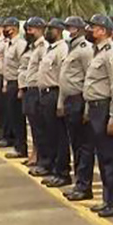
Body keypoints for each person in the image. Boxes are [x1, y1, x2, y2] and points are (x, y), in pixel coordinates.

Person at [84, 14, 113, 218]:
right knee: (102, 157)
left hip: (105, 107)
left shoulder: (112, 53)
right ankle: (108, 199)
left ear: (102, 30)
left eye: (93, 27)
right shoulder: (96, 52)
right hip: (95, 107)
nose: (90, 30)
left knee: (111, 157)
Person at [58, 17, 95, 202]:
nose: (69, 31)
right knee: (76, 145)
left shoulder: (85, 50)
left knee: (84, 146)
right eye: (68, 28)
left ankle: (84, 185)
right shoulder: (70, 48)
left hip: (80, 99)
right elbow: (64, 78)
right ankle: (79, 182)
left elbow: (89, 78)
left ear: (80, 30)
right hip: (70, 100)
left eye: (72, 28)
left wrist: (87, 108)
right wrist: (61, 103)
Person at [36, 18, 72, 188]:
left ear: (57, 31)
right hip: (45, 94)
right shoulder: (49, 49)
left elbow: (63, 76)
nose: (47, 32)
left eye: (50, 29)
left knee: (59, 137)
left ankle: (62, 172)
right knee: (50, 135)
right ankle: (52, 168)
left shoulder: (62, 49)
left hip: (55, 93)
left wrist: (60, 102)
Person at [19, 17, 47, 166]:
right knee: (33, 125)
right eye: (27, 30)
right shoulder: (31, 47)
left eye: (31, 29)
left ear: (40, 29)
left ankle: (41, 157)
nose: (28, 32)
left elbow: (43, 70)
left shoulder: (44, 47)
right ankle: (35, 154)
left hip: (38, 89)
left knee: (40, 127)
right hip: (28, 89)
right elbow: (23, 69)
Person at [1, 17, 28, 157]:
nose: (4, 30)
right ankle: (18, 145)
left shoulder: (20, 44)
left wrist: (20, 87)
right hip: (10, 82)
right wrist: (6, 84)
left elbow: (22, 66)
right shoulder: (9, 44)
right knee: (12, 116)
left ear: (14, 28)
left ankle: (21, 147)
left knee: (18, 118)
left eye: (7, 27)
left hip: (17, 83)